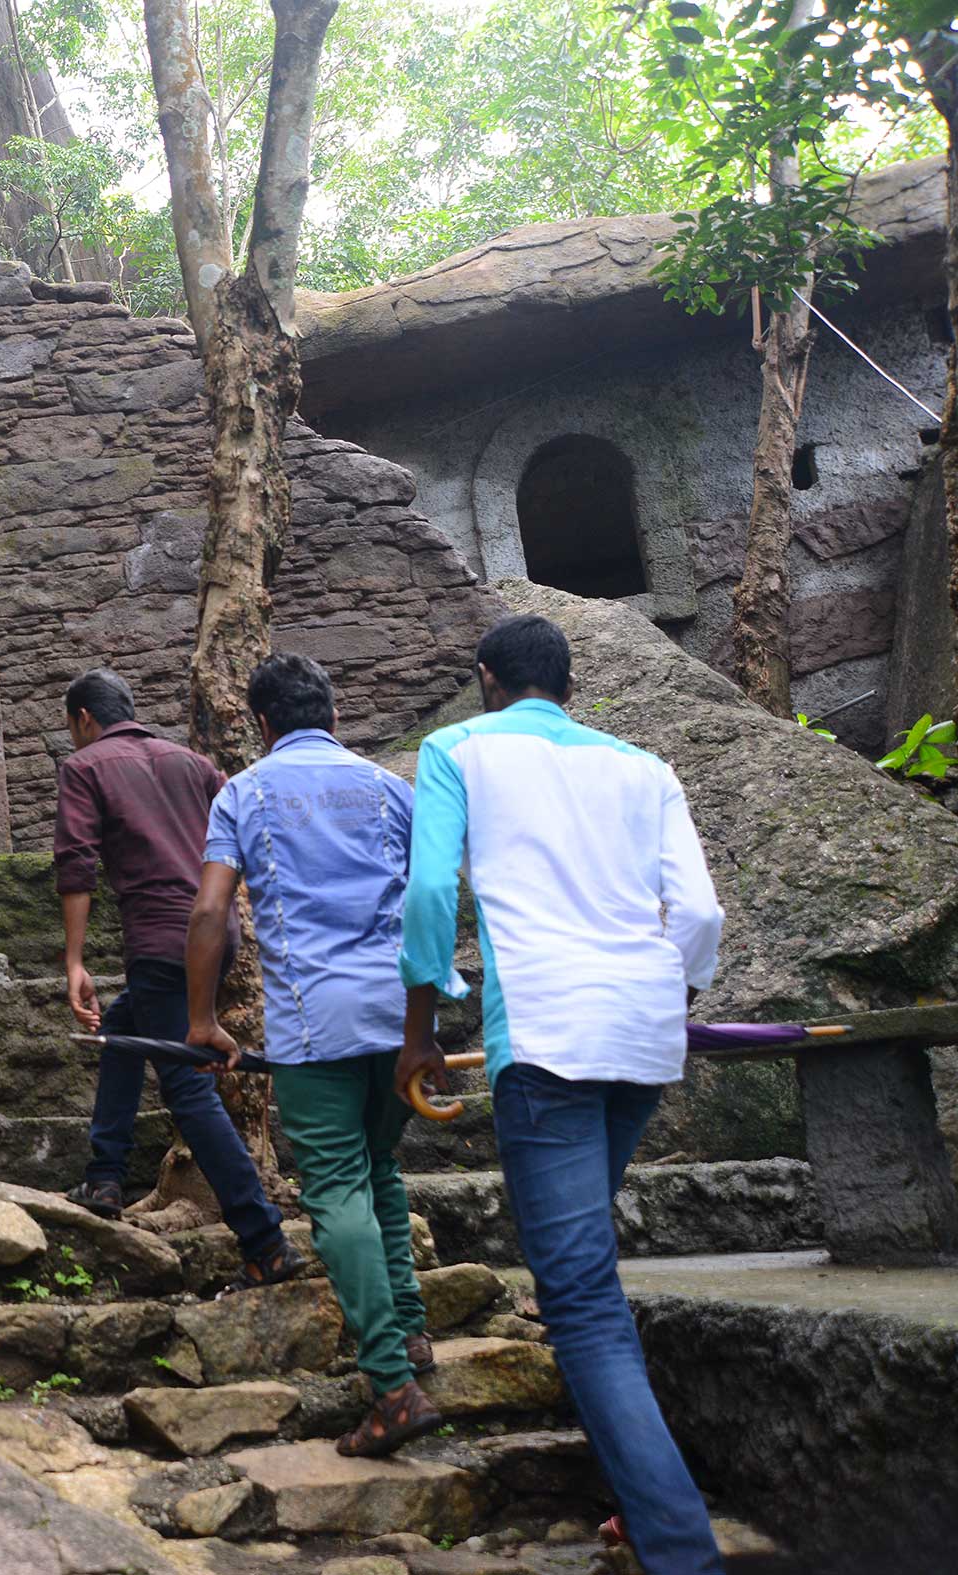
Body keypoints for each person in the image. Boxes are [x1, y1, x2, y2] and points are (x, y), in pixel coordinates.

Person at [398, 614, 725, 1574]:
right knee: (587, 1283)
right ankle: (640, 1502)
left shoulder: (456, 747)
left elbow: (426, 898)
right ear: (570, 681)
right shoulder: (644, 765)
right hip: (643, 1034)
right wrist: (674, 988)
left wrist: (420, 1031)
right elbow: (698, 912)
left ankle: (681, 1549)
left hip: (545, 1036)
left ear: (487, 677)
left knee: (578, 1300)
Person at [186, 653, 441, 1456]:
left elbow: (210, 911)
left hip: (314, 1021)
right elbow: (437, 893)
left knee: (336, 1191)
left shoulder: (244, 792)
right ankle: (415, 1335)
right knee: (382, 1170)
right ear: (333, 713)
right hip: (405, 1012)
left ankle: (392, 1386)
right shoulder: (391, 786)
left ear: (262, 725)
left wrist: (201, 1018)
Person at [54, 668, 302, 1288]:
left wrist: (75, 961)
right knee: (123, 1023)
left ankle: (264, 1239)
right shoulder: (194, 765)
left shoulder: (86, 768)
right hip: (215, 938)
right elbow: (246, 843)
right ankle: (105, 1175)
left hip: (161, 940)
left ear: (84, 718)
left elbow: (77, 865)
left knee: (188, 1088)